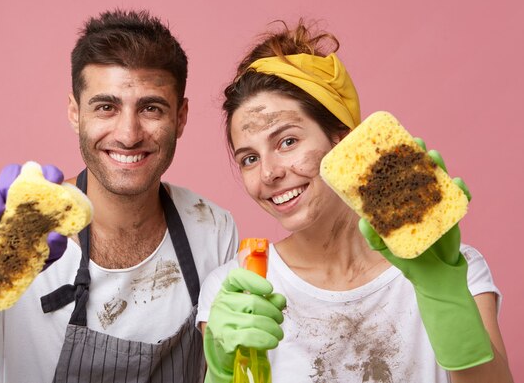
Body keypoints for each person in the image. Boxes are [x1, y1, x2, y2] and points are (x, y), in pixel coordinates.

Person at [0, 10, 239, 383]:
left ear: (182, 116)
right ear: (75, 113)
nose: (128, 134)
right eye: (106, 107)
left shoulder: (213, 228)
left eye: (151, 108)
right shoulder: (21, 230)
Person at [197, 20, 514, 383]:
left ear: (343, 141)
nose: (268, 173)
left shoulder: (453, 269)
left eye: (287, 142)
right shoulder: (239, 289)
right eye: (249, 158)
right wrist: (222, 372)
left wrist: (442, 292)